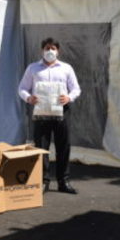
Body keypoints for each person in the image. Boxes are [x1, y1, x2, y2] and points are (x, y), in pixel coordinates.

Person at [18, 37, 81, 194]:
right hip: (41, 112)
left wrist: (69, 98)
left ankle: (63, 181)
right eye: (47, 48)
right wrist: (29, 98)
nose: (50, 51)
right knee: (41, 147)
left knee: (63, 147)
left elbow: (76, 89)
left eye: (53, 48)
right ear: (42, 50)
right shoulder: (33, 68)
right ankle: (43, 181)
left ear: (58, 51)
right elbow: (22, 88)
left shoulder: (66, 68)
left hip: (62, 111)